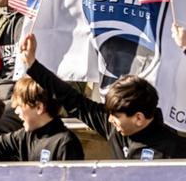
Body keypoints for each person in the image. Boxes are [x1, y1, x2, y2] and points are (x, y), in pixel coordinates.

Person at [20, 33, 186, 159]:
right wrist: (33, 65)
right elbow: (73, 100)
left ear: (139, 118)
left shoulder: (174, 151)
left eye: (115, 115)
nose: (109, 120)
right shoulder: (114, 128)